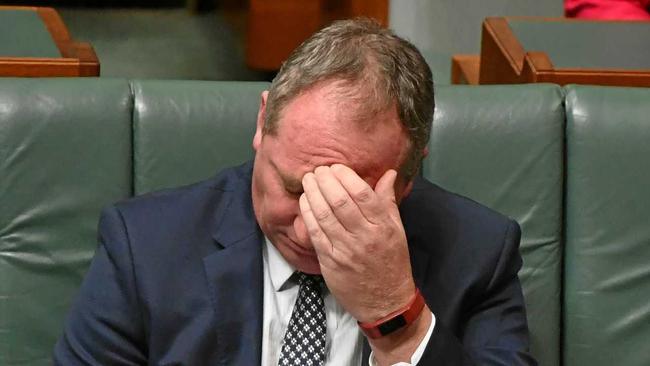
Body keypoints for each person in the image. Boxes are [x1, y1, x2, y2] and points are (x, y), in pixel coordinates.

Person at [54, 19, 535, 365]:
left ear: (408, 178)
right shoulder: (144, 247)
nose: (310, 229)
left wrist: (399, 322)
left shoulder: (478, 254)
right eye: (293, 187)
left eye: (347, 200)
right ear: (263, 122)